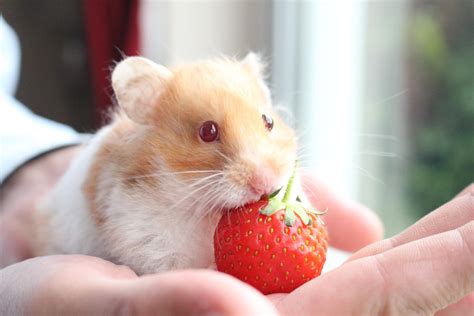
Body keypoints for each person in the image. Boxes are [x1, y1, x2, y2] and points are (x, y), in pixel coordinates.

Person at [1, 16, 472, 315]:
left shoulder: (266, 162)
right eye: (209, 133)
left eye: (265, 123)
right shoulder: (134, 181)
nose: (261, 175)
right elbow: (160, 259)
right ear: (145, 108)